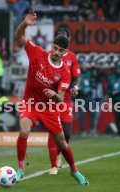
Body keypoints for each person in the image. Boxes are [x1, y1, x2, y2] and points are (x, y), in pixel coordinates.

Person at [15, 10, 89, 185]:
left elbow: (61, 99)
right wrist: (25, 23)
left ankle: (74, 171)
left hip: (48, 109)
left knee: (63, 144)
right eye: (55, 48)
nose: (56, 52)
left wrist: (55, 95)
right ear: (52, 46)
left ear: (65, 52)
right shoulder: (37, 53)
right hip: (30, 103)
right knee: (24, 131)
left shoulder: (64, 72)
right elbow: (19, 36)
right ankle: (20, 169)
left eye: (60, 50)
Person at [47, 28, 81, 175]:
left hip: (65, 99)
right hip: (50, 99)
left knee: (66, 132)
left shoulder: (72, 57)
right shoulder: (48, 55)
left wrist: (75, 87)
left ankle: (60, 153)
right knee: (53, 129)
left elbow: (76, 76)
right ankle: (53, 164)